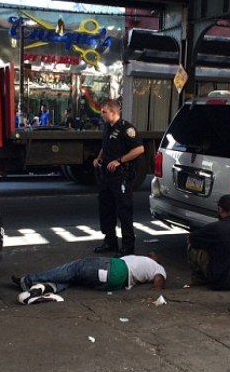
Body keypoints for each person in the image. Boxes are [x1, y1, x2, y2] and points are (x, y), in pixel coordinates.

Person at [92, 98, 144, 256]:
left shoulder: (126, 129)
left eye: (104, 112)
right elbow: (106, 146)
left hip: (120, 176)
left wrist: (119, 161)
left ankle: (128, 247)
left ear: (113, 112)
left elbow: (139, 149)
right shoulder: (108, 127)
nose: (101, 114)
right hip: (106, 176)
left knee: (124, 211)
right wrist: (99, 158)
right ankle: (110, 241)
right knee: (106, 209)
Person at [11, 251, 166, 297]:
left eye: (153, 254)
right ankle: (47, 288)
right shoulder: (144, 261)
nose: (151, 254)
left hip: (113, 269)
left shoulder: (158, 268)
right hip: (112, 280)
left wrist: (154, 292)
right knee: (75, 277)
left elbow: (159, 282)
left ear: (157, 259)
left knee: (75, 268)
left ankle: (28, 280)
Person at [187, 194, 230, 290]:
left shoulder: (216, 227)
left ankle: (199, 281)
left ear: (220, 209)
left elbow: (191, 239)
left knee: (193, 248)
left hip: (220, 282)